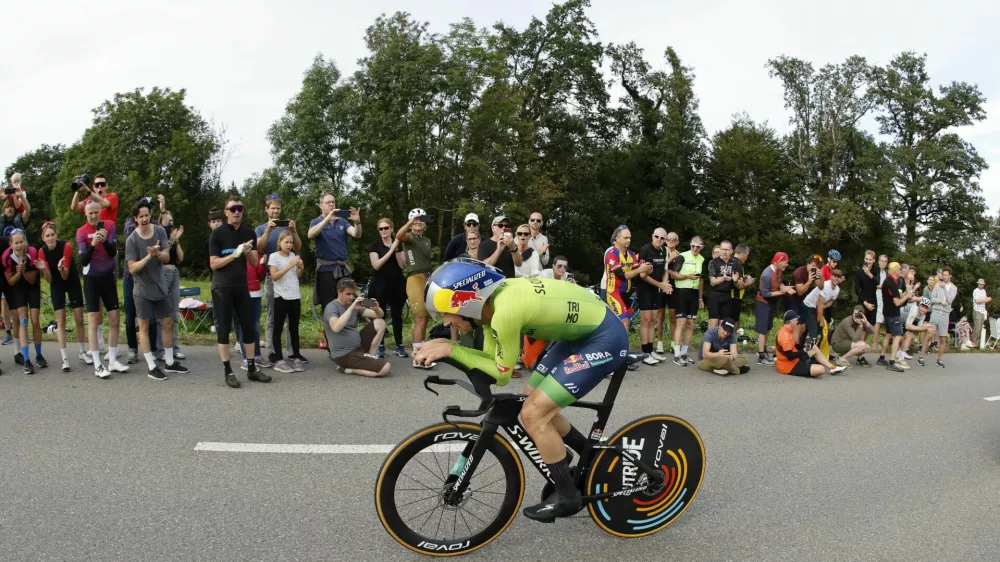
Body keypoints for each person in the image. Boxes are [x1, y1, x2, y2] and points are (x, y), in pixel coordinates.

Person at [415, 259, 630, 521]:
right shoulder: (490, 310)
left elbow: (501, 375)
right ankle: (590, 458)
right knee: (531, 399)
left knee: (533, 413)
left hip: (604, 338)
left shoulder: (505, 312)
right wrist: (449, 350)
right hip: (579, 336)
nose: (446, 322)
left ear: (466, 302)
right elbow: (490, 364)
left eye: (446, 311)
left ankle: (567, 495)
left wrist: (451, 349)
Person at [208, 195, 271, 388]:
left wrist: (252, 253)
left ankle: (251, 368)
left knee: (249, 327)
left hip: (242, 287)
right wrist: (234, 254)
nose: (237, 212)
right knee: (224, 329)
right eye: (233, 209)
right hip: (222, 288)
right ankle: (228, 371)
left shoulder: (248, 232)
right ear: (226, 212)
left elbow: (253, 262)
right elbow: (213, 264)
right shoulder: (217, 234)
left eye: (240, 209)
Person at [124, 199, 188, 380]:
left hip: (160, 286)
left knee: (168, 322)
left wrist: (158, 254)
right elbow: (132, 269)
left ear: (151, 216)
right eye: (141, 216)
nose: (144, 219)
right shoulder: (132, 240)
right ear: (135, 219)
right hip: (142, 289)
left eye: (147, 215)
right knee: (144, 326)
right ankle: (152, 366)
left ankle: (169, 362)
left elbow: (167, 257)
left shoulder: (159, 231)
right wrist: (148, 257)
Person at [77, 200, 128, 378]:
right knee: (93, 320)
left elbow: (113, 253)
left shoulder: (109, 225)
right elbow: (83, 261)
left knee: (114, 318)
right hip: (91, 279)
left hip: (107, 277)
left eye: (96, 213)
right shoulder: (81, 232)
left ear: (100, 212)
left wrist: (104, 239)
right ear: (85, 213)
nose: (93, 216)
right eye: (90, 213)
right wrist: (92, 244)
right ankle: (98, 364)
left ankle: (112, 359)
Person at [36, 221, 90, 371]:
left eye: (52, 235)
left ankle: (82, 351)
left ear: (56, 235)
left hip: (70, 279)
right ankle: (65, 358)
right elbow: (49, 280)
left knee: (79, 317)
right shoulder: (42, 252)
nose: (50, 238)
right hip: (56, 284)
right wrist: (44, 271)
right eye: (47, 236)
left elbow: (65, 275)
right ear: (43, 238)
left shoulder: (65, 246)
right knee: (61, 320)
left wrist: (60, 268)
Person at [255, 193, 301, 361]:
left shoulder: (286, 227)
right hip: (272, 277)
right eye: (272, 208)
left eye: (278, 208)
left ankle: (292, 351)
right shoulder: (260, 228)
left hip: (290, 278)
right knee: (273, 316)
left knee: (291, 318)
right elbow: (258, 247)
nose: (275, 211)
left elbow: (298, 246)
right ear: (266, 209)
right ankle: (272, 351)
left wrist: (294, 231)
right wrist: (268, 229)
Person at [324, 278, 391, 378]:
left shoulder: (354, 304)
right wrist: (351, 308)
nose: (351, 297)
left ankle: (371, 356)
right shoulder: (332, 307)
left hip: (358, 347)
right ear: (339, 292)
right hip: (344, 355)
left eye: (353, 294)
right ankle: (348, 369)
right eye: (348, 294)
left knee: (380, 323)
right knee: (385, 368)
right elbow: (336, 327)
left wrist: (377, 308)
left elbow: (379, 315)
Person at [307, 193, 361, 313]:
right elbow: (310, 235)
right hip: (326, 270)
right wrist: (327, 219)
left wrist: (357, 223)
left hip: (343, 269)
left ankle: (345, 329)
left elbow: (356, 234)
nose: (331, 204)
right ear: (321, 206)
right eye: (328, 202)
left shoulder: (341, 221)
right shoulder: (316, 221)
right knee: (328, 305)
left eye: (333, 202)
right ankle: (329, 331)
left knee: (347, 302)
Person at [395, 209, 435, 362]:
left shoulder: (426, 240)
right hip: (414, 277)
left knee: (425, 319)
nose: (418, 222)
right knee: (420, 317)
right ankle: (417, 355)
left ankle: (421, 352)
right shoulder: (409, 237)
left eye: (420, 219)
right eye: (415, 219)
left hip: (427, 277)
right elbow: (398, 236)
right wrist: (410, 222)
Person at [3, 230, 44, 373]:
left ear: (25, 242)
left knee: (35, 320)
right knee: (23, 321)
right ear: (11, 245)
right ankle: (26, 360)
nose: (19, 245)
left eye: (21, 242)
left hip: (32, 287)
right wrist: (19, 273)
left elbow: (32, 279)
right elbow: (10, 282)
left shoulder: (32, 252)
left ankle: (39, 355)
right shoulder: (6, 257)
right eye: (16, 243)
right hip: (19, 288)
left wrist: (24, 270)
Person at [368, 217, 407, 358]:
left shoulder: (399, 245)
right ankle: (380, 345)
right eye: (381, 229)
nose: (383, 231)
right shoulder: (375, 245)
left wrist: (396, 249)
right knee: (379, 314)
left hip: (396, 283)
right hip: (379, 284)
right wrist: (390, 250)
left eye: (386, 228)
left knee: (397, 315)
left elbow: (403, 265)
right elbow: (376, 265)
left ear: (391, 229)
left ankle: (399, 345)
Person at [268, 230, 305, 373]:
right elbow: (275, 276)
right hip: (280, 297)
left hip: (295, 296)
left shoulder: (294, 256)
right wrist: (289, 265)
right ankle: (278, 359)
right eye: (286, 242)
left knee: (294, 328)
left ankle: (295, 356)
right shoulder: (274, 257)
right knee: (277, 328)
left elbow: (297, 275)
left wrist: (300, 267)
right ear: (279, 243)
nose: (289, 245)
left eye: (291, 242)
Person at [604, 225, 650, 332]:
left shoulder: (630, 254)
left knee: (626, 323)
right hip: (614, 293)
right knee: (624, 321)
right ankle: (623, 348)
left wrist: (647, 268)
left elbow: (636, 272)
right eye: (626, 238)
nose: (629, 240)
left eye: (630, 238)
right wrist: (639, 270)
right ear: (616, 238)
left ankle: (619, 347)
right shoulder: (611, 254)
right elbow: (622, 275)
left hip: (627, 293)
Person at [775, 310, 846, 377]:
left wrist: (805, 345)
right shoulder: (785, 335)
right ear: (791, 321)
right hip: (789, 366)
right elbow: (790, 356)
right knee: (821, 369)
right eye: (796, 320)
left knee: (813, 347)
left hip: (794, 360)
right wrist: (804, 350)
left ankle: (832, 367)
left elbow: (793, 346)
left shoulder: (786, 330)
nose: (797, 322)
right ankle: (807, 366)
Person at [875, 262, 914, 372]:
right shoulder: (892, 283)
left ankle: (882, 358)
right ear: (894, 271)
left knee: (888, 335)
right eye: (899, 269)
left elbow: (897, 295)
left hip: (887, 312)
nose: (900, 270)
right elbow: (897, 302)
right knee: (897, 336)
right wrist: (907, 295)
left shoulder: (890, 281)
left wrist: (907, 291)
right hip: (893, 313)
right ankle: (892, 362)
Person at [927, 265, 956, 368]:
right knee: (929, 334)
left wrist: (945, 289)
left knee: (942, 338)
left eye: (946, 275)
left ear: (950, 276)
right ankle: (922, 355)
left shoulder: (953, 288)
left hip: (945, 314)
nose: (944, 277)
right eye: (943, 275)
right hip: (936, 312)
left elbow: (949, 300)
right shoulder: (937, 285)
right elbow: (932, 299)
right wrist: (940, 301)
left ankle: (939, 359)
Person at [903, 297, 936, 366]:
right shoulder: (914, 309)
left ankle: (900, 350)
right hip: (897, 319)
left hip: (903, 323)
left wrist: (927, 328)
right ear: (919, 305)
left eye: (926, 308)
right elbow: (908, 326)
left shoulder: (923, 315)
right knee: (909, 336)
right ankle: (901, 355)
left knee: (912, 339)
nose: (923, 309)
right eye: (922, 306)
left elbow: (920, 328)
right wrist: (923, 328)